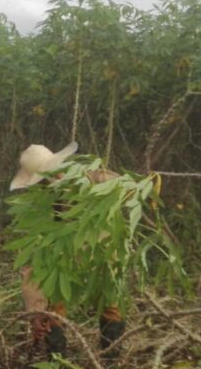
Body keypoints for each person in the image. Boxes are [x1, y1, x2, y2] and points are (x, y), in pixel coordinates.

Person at [9, 142, 126, 358]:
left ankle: (112, 360)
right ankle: (57, 365)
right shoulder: (38, 209)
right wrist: (36, 312)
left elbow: (120, 186)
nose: (54, 179)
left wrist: (95, 186)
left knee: (111, 305)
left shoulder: (89, 176)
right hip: (63, 265)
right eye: (44, 179)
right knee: (53, 310)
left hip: (101, 255)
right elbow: (32, 263)